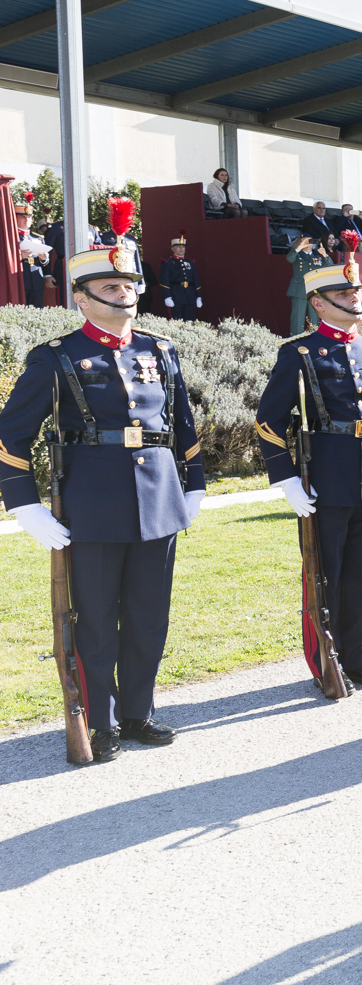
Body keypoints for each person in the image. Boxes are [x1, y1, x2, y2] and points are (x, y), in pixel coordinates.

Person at [0, 240, 207, 761]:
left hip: (158, 501)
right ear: (82, 298)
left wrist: (195, 482)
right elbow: (11, 434)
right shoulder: (56, 357)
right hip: (91, 507)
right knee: (94, 619)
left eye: (131, 285)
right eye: (111, 287)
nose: (125, 294)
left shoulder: (159, 350)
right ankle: (101, 721)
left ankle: (139, 712)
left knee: (148, 615)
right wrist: (23, 504)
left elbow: (182, 424)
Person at [254, 233, 362, 696]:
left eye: (356, 293)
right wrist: (286, 479)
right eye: (343, 295)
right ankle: (327, 659)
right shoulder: (300, 352)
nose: (353, 300)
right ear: (319, 304)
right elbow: (268, 421)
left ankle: (358, 656)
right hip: (328, 475)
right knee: (327, 574)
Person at [285, 235, 328, 335]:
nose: (309, 243)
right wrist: (299, 246)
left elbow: (329, 266)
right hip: (299, 291)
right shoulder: (297, 255)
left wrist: (325, 255)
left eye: (311, 241)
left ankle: (313, 341)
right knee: (297, 319)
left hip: (314, 292)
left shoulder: (317, 256)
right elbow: (289, 258)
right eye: (306, 241)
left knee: (314, 320)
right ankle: (295, 341)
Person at [157, 236, 201, 322]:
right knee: (176, 322)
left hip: (190, 297)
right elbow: (164, 281)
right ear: (172, 248)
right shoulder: (167, 262)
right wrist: (167, 296)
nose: (181, 249)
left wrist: (199, 296)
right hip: (175, 296)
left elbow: (196, 280)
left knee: (190, 322)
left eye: (183, 247)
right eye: (178, 246)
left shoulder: (190, 262)